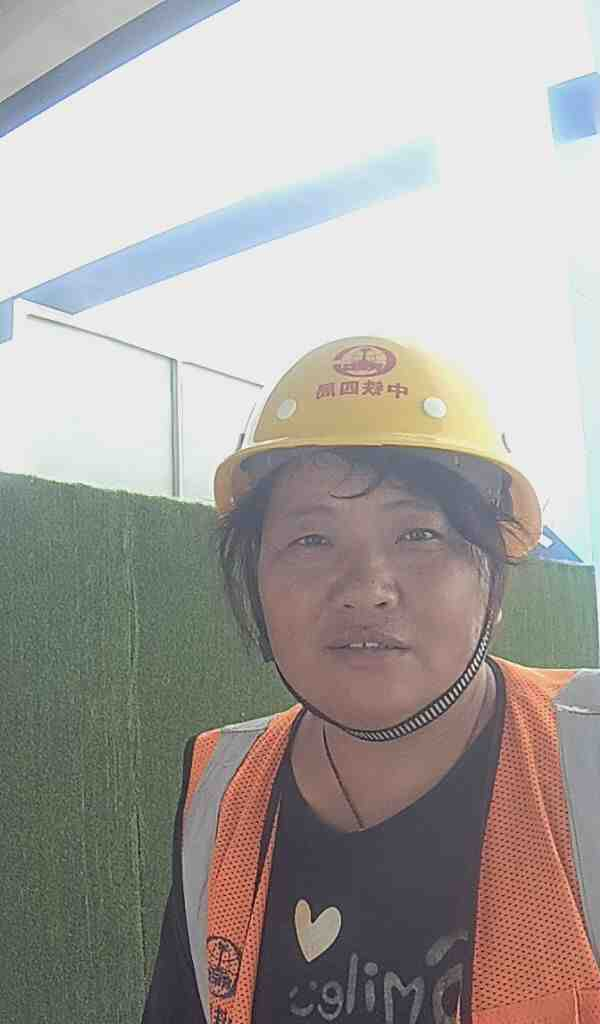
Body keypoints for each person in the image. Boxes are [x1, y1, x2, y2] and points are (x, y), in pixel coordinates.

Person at [142, 337, 600, 1024]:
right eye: (312, 540)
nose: (367, 589)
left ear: (493, 581)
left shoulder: (586, 763)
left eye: (420, 535)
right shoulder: (221, 786)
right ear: (256, 579)